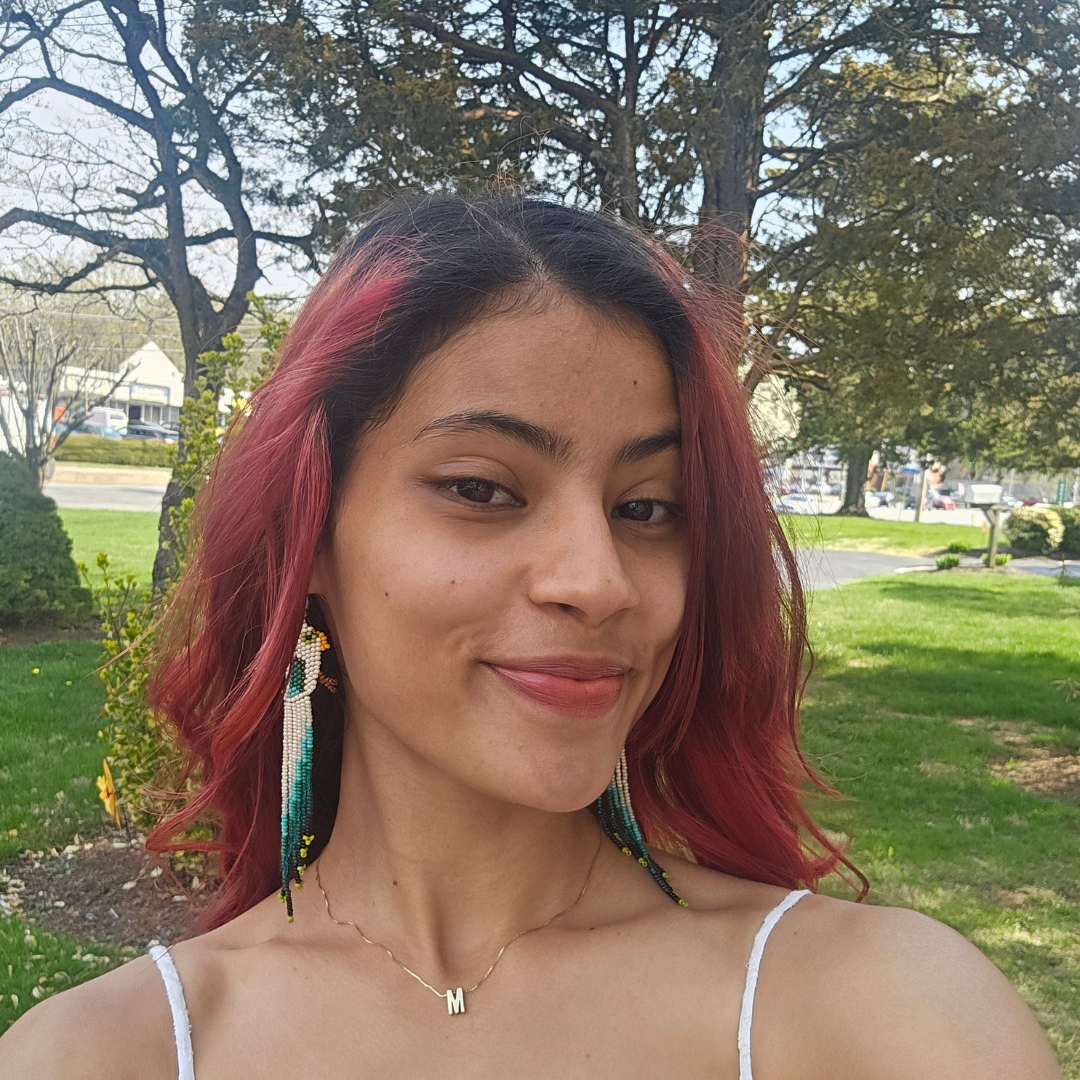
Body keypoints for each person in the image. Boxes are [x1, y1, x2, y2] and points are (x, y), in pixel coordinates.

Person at [0, 196, 1059, 1079]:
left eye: (648, 507)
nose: (596, 582)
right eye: (482, 488)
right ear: (311, 536)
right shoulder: (105, 1056)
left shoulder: (875, 1017)